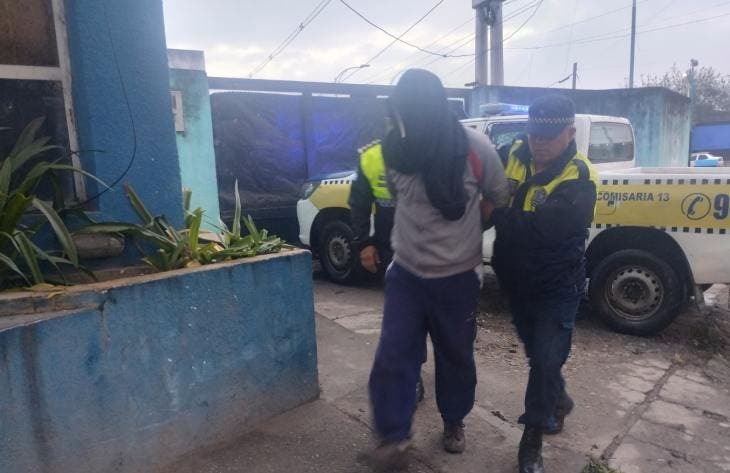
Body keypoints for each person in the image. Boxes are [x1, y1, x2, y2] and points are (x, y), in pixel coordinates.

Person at [363, 69, 508, 471]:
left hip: (458, 277)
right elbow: (398, 202)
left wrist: (467, 234)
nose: (402, 121)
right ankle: (393, 437)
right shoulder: (393, 149)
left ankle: (454, 419)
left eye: (408, 113)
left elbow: (497, 195)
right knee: (394, 354)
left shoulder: (475, 148)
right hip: (406, 273)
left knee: (455, 356)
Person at [490, 95, 599, 473]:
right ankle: (559, 399)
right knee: (539, 355)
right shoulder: (512, 153)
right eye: (534, 134)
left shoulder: (580, 176)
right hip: (516, 280)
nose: (539, 143)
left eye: (548, 137)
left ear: (570, 133)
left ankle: (532, 440)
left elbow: (544, 230)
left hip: (558, 284)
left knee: (546, 359)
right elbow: (482, 187)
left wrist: (498, 213)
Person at [349, 137, 425, 403]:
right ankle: (412, 375)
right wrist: (364, 244)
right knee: (405, 317)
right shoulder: (372, 156)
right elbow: (359, 204)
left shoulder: (437, 145)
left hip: (435, 249)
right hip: (394, 250)